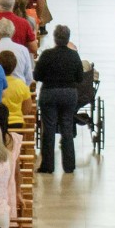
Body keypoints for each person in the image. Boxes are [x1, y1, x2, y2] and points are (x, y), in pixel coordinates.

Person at [33, 24, 83, 173]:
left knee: (48, 128)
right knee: (67, 127)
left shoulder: (47, 55)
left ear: (54, 39)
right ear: (68, 38)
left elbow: (37, 76)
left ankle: (47, 166)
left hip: (50, 93)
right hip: (69, 94)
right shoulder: (74, 55)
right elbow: (80, 77)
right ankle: (69, 166)